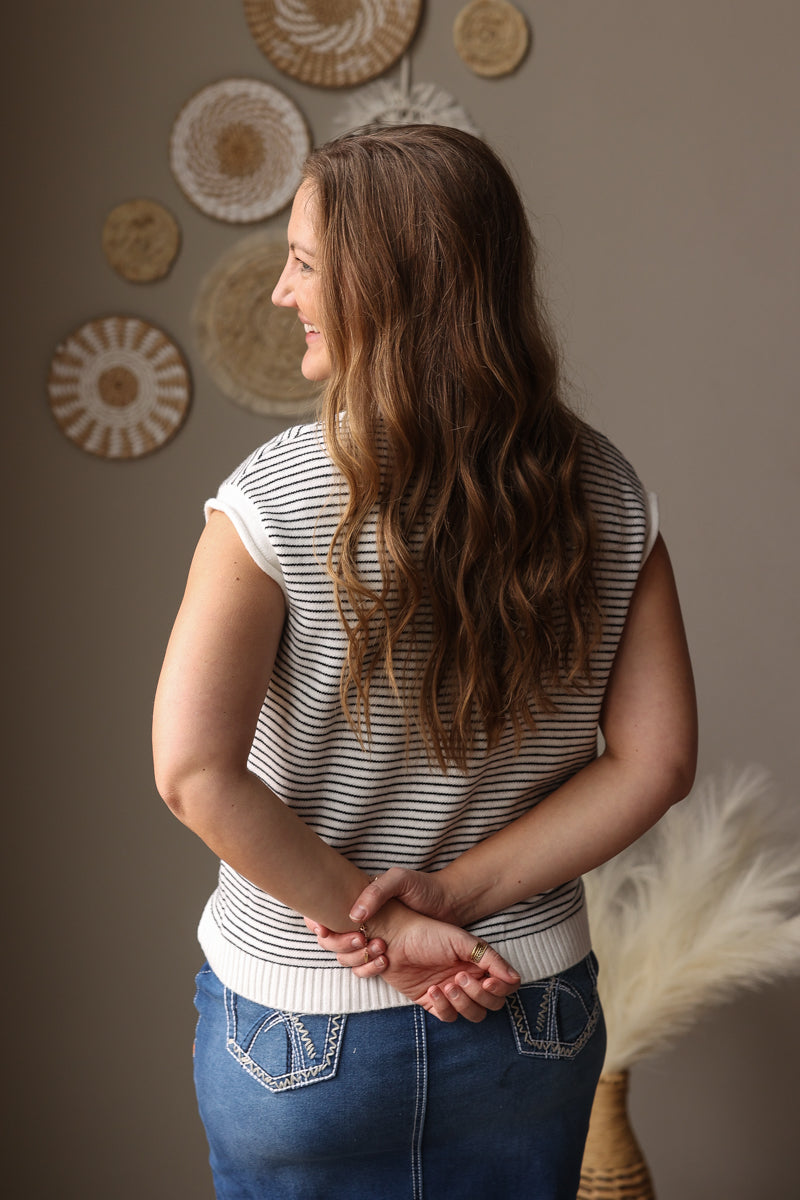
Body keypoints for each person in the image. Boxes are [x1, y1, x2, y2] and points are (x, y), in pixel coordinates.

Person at [152, 125, 697, 1199]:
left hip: (299, 1036)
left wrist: (389, 924)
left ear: (385, 282)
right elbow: (654, 762)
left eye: (304, 261)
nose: (280, 292)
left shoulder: (269, 500)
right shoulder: (606, 489)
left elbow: (191, 773)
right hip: (525, 1016)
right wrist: (442, 898)